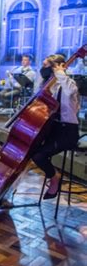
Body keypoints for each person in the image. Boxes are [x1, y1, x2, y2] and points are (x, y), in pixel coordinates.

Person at [32, 54, 80, 200]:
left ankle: (54, 178)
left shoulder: (69, 84)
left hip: (67, 131)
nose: (44, 68)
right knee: (34, 153)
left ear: (58, 67)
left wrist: (60, 72)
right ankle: (53, 175)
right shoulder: (54, 86)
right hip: (54, 129)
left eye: (48, 66)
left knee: (39, 155)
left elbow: (70, 91)